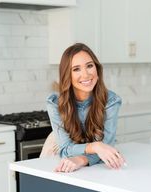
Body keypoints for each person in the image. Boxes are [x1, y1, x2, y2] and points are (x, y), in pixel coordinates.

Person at [46, 43, 125, 173]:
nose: (86, 74)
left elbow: (106, 148)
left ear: (97, 69)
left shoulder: (111, 101)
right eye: (76, 69)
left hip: (82, 165)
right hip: (57, 155)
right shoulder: (55, 103)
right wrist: (96, 146)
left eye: (89, 66)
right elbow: (65, 149)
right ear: (67, 75)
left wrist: (81, 159)